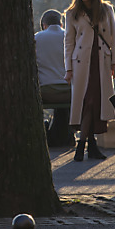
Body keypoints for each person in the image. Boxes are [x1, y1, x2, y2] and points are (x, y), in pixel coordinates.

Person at [64, 0, 115, 162]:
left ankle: (90, 145)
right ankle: (83, 146)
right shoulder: (72, 13)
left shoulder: (106, 10)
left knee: (96, 103)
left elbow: (114, 36)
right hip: (81, 62)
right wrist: (68, 68)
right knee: (87, 102)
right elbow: (68, 42)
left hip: (101, 62)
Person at [35, 9, 73, 148]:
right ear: (61, 23)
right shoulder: (70, 37)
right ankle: (64, 135)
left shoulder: (37, 38)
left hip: (46, 92)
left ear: (44, 24)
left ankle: (53, 135)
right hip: (71, 92)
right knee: (63, 109)